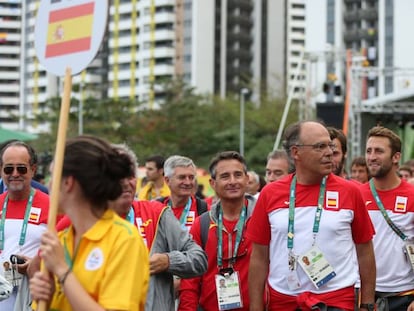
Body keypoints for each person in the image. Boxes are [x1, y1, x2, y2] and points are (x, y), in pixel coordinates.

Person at [56, 145, 208, 311]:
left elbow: (199, 259)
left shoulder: (155, 213)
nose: (126, 183)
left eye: (130, 176)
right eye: (117, 177)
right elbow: (45, 266)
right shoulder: (78, 219)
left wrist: (168, 261)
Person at [247, 120, 376, 311]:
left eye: (330, 146)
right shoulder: (270, 194)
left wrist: (367, 303)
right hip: (284, 301)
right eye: (320, 146)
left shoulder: (351, 192)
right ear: (295, 152)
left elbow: (365, 251)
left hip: (336, 301)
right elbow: (259, 257)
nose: (329, 152)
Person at [29, 135, 149, 310]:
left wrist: (62, 272)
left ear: (68, 183)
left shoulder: (124, 240)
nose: (48, 186)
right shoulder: (61, 240)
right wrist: (46, 299)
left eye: (52, 177)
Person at [179, 151, 257, 311]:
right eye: (225, 176)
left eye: (238, 175)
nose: (233, 181)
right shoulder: (202, 224)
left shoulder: (263, 219)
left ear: (247, 179)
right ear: (213, 183)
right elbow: (191, 280)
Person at [361, 126, 414, 311]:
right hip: (365, 296)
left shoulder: (412, 195)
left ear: (396, 157)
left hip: (404, 297)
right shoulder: (356, 195)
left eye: (379, 151)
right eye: (369, 151)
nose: (372, 157)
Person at [0, 140, 50, 311]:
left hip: (33, 295)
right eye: (8, 169)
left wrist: (37, 263)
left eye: (21, 168)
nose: (15, 174)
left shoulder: (52, 205)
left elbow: (66, 250)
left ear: (33, 169)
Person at [158, 155, 208, 231]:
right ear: (167, 180)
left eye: (191, 177)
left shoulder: (204, 209)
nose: (188, 182)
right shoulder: (157, 208)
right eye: (182, 177)